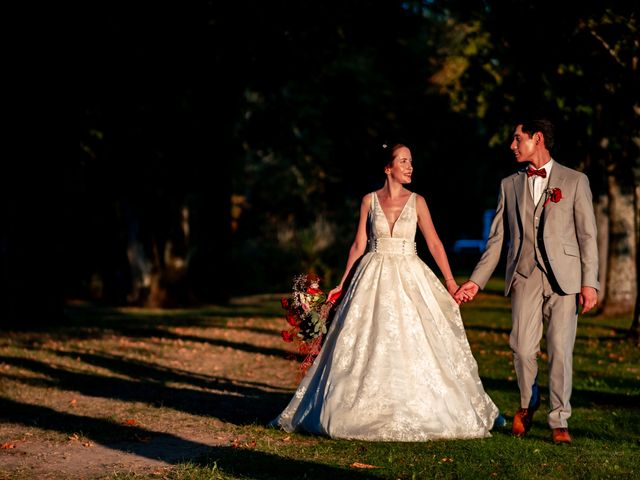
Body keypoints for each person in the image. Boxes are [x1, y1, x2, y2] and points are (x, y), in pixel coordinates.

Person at [270, 144, 500, 441]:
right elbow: (358, 244)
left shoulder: (418, 201)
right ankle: (354, 408)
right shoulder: (369, 200)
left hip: (409, 272)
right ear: (387, 168)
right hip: (372, 273)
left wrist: (450, 282)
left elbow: (435, 244)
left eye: (411, 162)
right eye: (403, 161)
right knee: (368, 337)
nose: (410, 167)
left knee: (412, 337)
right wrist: (341, 283)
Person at [456, 118, 599, 445]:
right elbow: (496, 240)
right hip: (524, 275)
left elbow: (587, 235)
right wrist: (476, 282)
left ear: (537, 139)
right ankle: (527, 401)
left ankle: (559, 419)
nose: (512, 145)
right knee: (521, 348)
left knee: (561, 351)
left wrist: (590, 283)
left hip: (566, 279)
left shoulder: (575, 181)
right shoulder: (509, 184)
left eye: (517, 139)